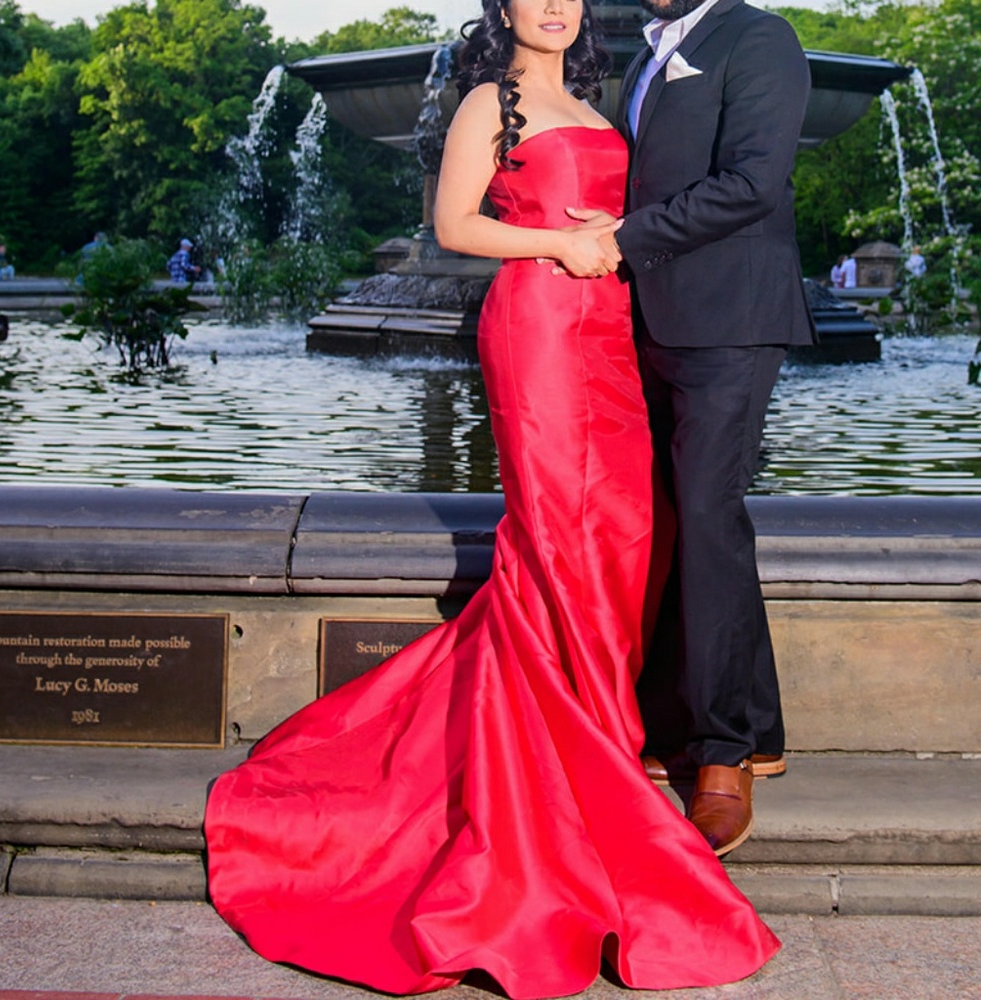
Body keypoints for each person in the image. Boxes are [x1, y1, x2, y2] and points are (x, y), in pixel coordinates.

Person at [204, 1, 778, 996]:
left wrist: (608, 244)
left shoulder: (605, 96)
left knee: (627, 538)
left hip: (616, 336)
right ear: (502, 7)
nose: (555, 5)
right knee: (556, 537)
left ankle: (608, 726)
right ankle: (584, 753)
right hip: (546, 333)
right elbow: (455, 223)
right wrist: (555, 248)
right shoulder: (491, 99)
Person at [567, 0, 815, 857]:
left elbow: (754, 181)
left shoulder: (758, 38)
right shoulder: (648, 54)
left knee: (709, 517)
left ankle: (722, 755)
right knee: (689, 524)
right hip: (654, 322)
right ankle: (755, 728)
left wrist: (625, 239)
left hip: (732, 321)